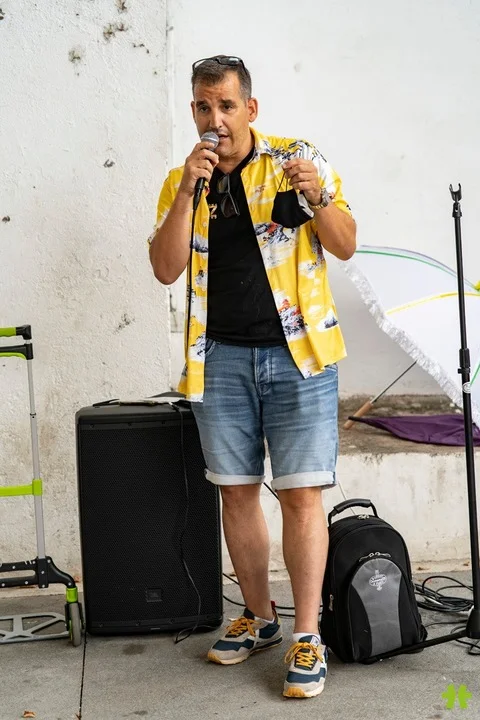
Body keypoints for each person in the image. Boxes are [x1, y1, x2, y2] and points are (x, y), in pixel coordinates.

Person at [148, 54, 356, 699]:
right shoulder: (184, 180)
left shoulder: (297, 159)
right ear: (193, 111)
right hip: (220, 361)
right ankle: (261, 618)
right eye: (204, 107)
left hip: (299, 357)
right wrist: (188, 192)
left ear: (250, 108)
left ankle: (307, 635)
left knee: (301, 496)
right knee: (235, 493)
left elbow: (346, 243)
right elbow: (164, 268)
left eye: (227, 105)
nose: (216, 119)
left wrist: (317, 196)